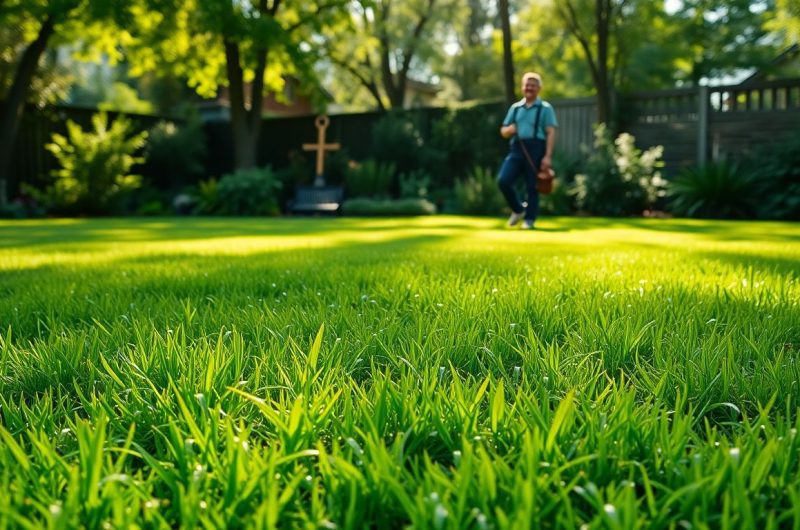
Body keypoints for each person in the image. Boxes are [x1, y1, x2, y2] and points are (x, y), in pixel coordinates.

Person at [497, 72, 558, 229]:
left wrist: (547, 156)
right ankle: (518, 209)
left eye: (533, 85)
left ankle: (529, 219)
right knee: (503, 180)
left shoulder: (545, 108)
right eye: (526, 85)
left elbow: (551, 132)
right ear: (522, 87)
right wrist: (509, 129)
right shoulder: (515, 108)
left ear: (539, 88)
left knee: (532, 186)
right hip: (517, 148)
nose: (529, 88)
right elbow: (503, 131)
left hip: (536, 148)